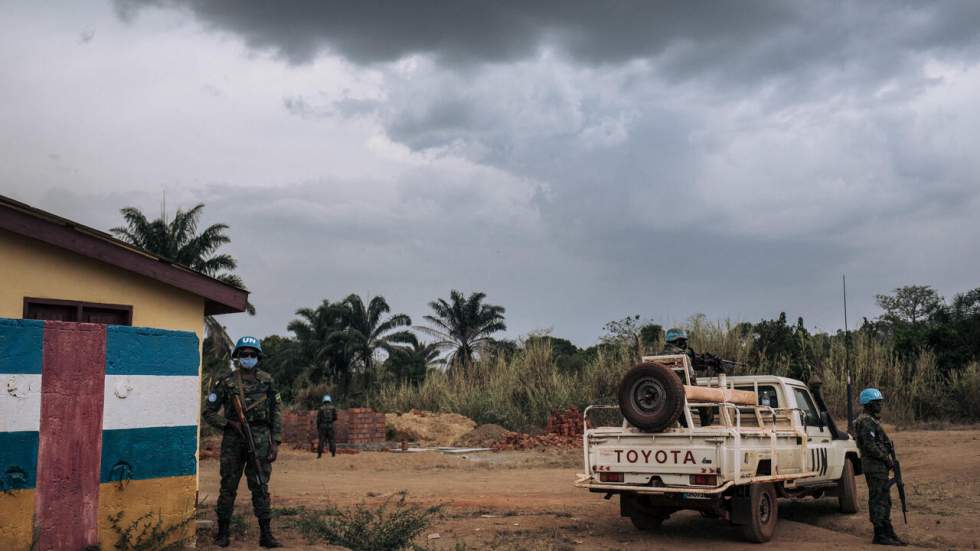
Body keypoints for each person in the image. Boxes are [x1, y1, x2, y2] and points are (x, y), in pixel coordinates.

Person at [203, 336, 283, 548]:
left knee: (260, 486)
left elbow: (276, 412)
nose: (248, 358)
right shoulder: (227, 382)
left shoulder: (267, 380)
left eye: (252, 355)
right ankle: (222, 533)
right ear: (238, 357)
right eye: (244, 355)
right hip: (233, 440)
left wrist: (275, 442)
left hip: (260, 439)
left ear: (258, 357)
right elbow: (209, 412)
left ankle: (266, 535)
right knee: (228, 486)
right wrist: (229, 424)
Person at [854, 388, 907, 546]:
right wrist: (886, 459)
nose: (880, 405)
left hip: (879, 466)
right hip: (874, 465)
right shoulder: (865, 422)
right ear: (868, 404)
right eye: (877, 403)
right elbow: (870, 446)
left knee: (884, 498)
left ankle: (887, 530)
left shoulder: (871, 420)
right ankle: (880, 534)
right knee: (878, 499)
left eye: (880, 402)